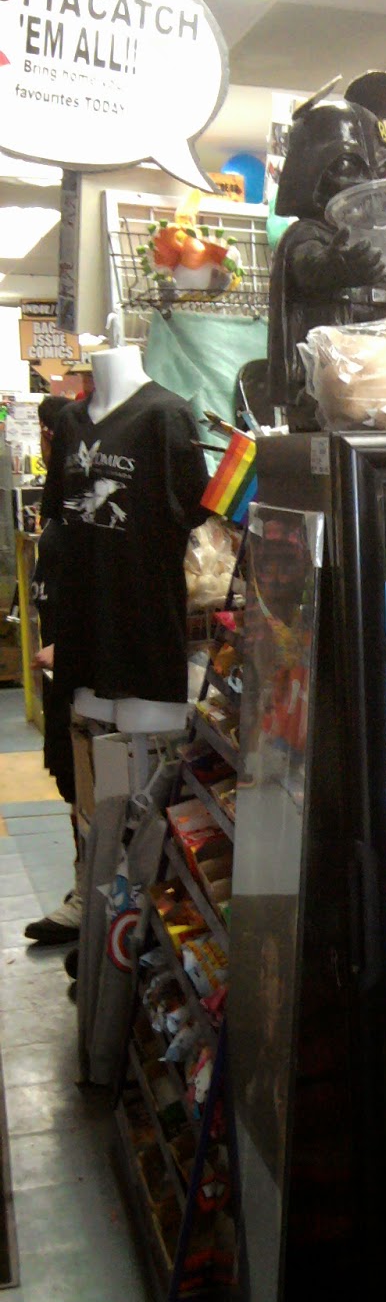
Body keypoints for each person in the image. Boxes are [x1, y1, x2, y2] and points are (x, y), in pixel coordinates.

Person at [24, 394, 83, 946]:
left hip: (86, 671)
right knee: (71, 781)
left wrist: (72, 645)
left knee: (86, 783)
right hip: (64, 676)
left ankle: (91, 898)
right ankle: (86, 887)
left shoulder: (85, 503)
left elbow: (118, 585)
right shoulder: (63, 498)